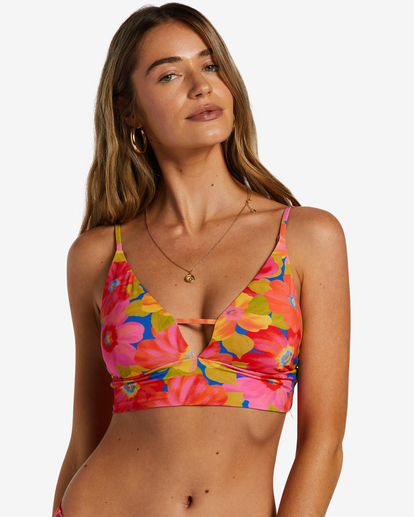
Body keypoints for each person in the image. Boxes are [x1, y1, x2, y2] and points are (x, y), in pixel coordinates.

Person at [53, 3, 350, 516]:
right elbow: (85, 439)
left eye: (210, 65)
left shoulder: (307, 237)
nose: (201, 86)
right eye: (169, 74)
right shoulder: (98, 256)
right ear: (129, 111)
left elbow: (323, 442)